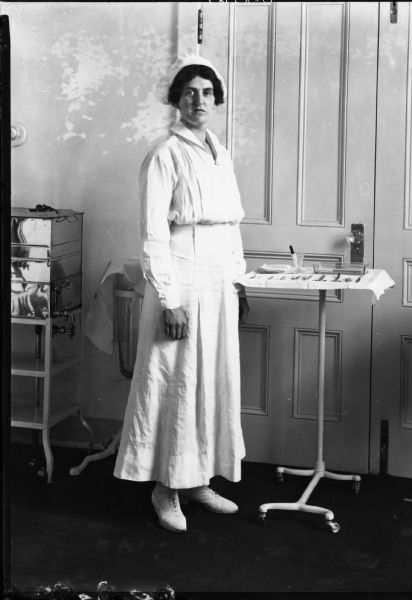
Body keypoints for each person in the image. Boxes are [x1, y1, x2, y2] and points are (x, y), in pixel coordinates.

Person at [113, 55, 250, 533]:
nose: (200, 100)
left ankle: (196, 479)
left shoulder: (219, 151)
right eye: (190, 92)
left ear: (217, 100)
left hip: (217, 279)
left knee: (210, 376)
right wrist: (168, 298)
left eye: (207, 92)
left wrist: (237, 280)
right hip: (182, 275)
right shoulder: (164, 152)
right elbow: (153, 233)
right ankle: (165, 487)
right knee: (176, 379)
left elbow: (231, 225)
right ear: (176, 100)